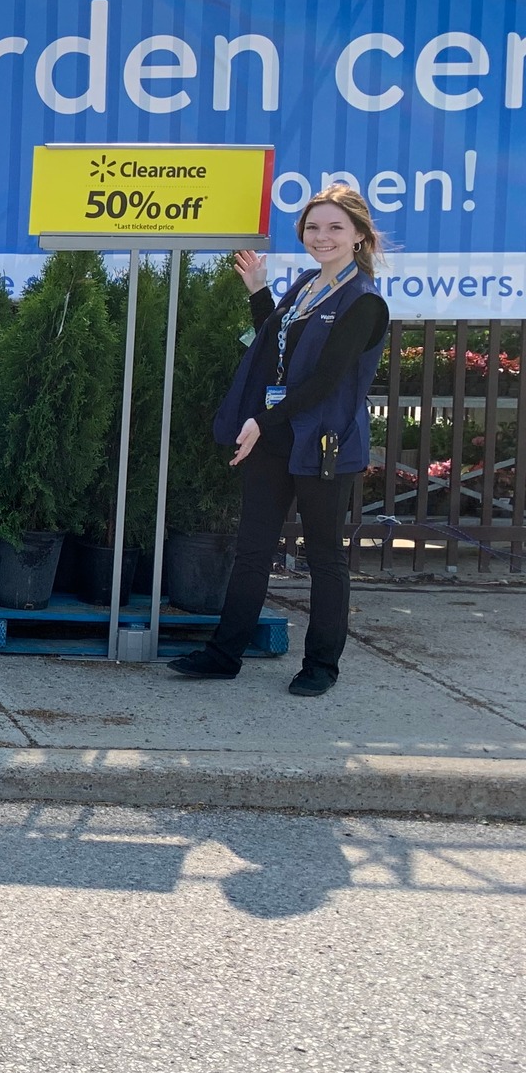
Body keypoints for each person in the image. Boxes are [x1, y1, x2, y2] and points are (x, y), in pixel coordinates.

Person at [169, 184, 390, 695]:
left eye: (335, 227)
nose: (322, 236)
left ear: (359, 235)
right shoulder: (308, 285)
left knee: (325, 558)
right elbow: (275, 349)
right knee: (252, 549)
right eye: (313, 227)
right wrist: (258, 291)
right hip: (275, 436)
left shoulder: (364, 301)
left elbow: (325, 381)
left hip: (324, 444)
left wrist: (263, 421)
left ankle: (320, 667)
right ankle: (224, 655)